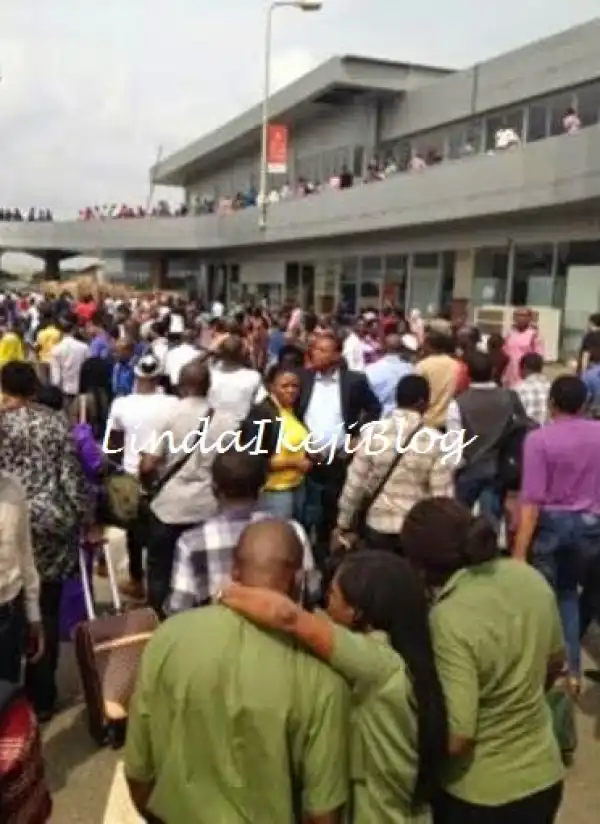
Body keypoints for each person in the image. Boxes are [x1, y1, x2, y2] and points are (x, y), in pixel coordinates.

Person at [125, 519, 349, 824]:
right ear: (297, 579)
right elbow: (322, 813)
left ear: (233, 571)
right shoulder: (321, 675)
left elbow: (138, 772)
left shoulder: (168, 638)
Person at [221, 549, 448, 824]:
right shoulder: (408, 654)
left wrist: (228, 593)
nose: (325, 607)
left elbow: (288, 617)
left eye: (332, 597)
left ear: (356, 613)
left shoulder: (376, 664)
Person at [401, 498, 565, 824]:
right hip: (544, 776)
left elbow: (459, 737)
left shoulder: (449, 617)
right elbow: (554, 662)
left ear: (421, 565)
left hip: (480, 795)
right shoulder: (528, 578)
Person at [0, 362, 90, 721]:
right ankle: (43, 695)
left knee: (14, 601)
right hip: (51, 524)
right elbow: (71, 478)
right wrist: (85, 516)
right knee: (47, 609)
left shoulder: (2, 425)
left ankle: (10, 696)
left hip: (9, 521)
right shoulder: (55, 422)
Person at [514, 375, 600, 691]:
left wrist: (519, 552)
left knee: (543, 598)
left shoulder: (539, 440)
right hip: (591, 528)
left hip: (552, 526)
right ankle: (572, 671)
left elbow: (532, 500)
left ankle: (540, 668)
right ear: (585, 404)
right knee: (569, 596)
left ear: (551, 404)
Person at [139, 359, 237, 615]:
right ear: (208, 386)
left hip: (169, 507)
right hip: (208, 507)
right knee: (205, 572)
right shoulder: (227, 421)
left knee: (160, 569)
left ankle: (160, 621)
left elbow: (148, 464)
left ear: (181, 386)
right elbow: (233, 466)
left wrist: (149, 487)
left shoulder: (167, 415)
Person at [168, 448, 315, 613]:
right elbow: (310, 591)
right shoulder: (292, 532)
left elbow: (179, 606)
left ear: (214, 489)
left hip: (216, 633)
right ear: (261, 489)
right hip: (281, 632)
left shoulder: (191, 543)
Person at [336, 375, 454, 553]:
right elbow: (441, 496)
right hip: (414, 530)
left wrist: (343, 524)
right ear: (423, 403)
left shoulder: (372, 433)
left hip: (376, 525)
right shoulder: (435, 440)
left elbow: (355, 483)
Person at [295, 334, 381, 565]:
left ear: (336, 355)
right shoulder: (301, 378)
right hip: (306, 459)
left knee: (333, 512)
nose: (316, 354)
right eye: (314, 349)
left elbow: (374, 409)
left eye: (323, 350)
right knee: (305, 512)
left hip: (339, 459)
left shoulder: (354, 381)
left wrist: (358, 436)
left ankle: (328, 561)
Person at [105, 353, 179, 600]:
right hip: (164, 476)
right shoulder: (174, 404)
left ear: (136, 375)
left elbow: (113, 444)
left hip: (132, 475)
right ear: (158, 377)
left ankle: (137, 581)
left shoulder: (121, 404)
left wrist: (112, 471)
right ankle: (164, 583)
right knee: (163, 532)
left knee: (134, 534)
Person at [446, 351, 527, 526]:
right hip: (499, 467)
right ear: (492, 371)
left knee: (460, 520)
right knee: (490, 518)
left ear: (467, 375)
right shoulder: (510, 397)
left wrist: (454, 469)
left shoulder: (458, 403)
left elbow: (454, 446)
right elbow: (521, 427)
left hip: (470, 468)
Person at [242, 364, 312, 520]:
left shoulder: (293, 410)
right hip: (273, 491)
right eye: (285, 386)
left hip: (296, 485)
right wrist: (293, 463)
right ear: (271, 387)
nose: (291, 390)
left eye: (295, 386)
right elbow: (253, 459)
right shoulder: (261, 414)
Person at [0, 472, 43, 683]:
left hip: (9, 614)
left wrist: (33, 614)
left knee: (7, 694)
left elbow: (25, 552)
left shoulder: (13, 488)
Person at [209, 334, 263, 424]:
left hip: (212, 428)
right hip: (240, 429)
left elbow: (189, 369)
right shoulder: (253, 377)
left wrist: (210, 350)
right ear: (244, 353)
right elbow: (260, 403)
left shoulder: (210, 373)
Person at [415, 329, 459, 430]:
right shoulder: (456, 365)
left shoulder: (422, 366)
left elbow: (417, 395)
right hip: (449, 421)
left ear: (430, 346)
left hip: (427, 422)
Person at [365, 333, 413, 416]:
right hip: (405, 421)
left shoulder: (370, 370)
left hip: (380, 420)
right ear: (402, 348)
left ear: (384, 347)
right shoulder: (412, 369)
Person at [49, 317, 89, 404]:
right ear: (73, 330)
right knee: (81, 416)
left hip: (65, 390)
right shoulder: (84, 347)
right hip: (82, 390)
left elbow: (56, 377)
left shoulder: (56, 349)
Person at [503, 308, 543, 389]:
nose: (521, 318)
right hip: (509, 373)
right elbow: (504, 350)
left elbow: (538, 356)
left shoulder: (533, 334)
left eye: (524, 315)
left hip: (525, 373)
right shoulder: (510, 333)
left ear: (529, 318)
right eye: (518, 315)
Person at [514, 352, 550, 426]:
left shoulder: (518, 390)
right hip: (549, 433)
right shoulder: (551, 387)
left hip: (526, 433)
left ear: (524, 367)